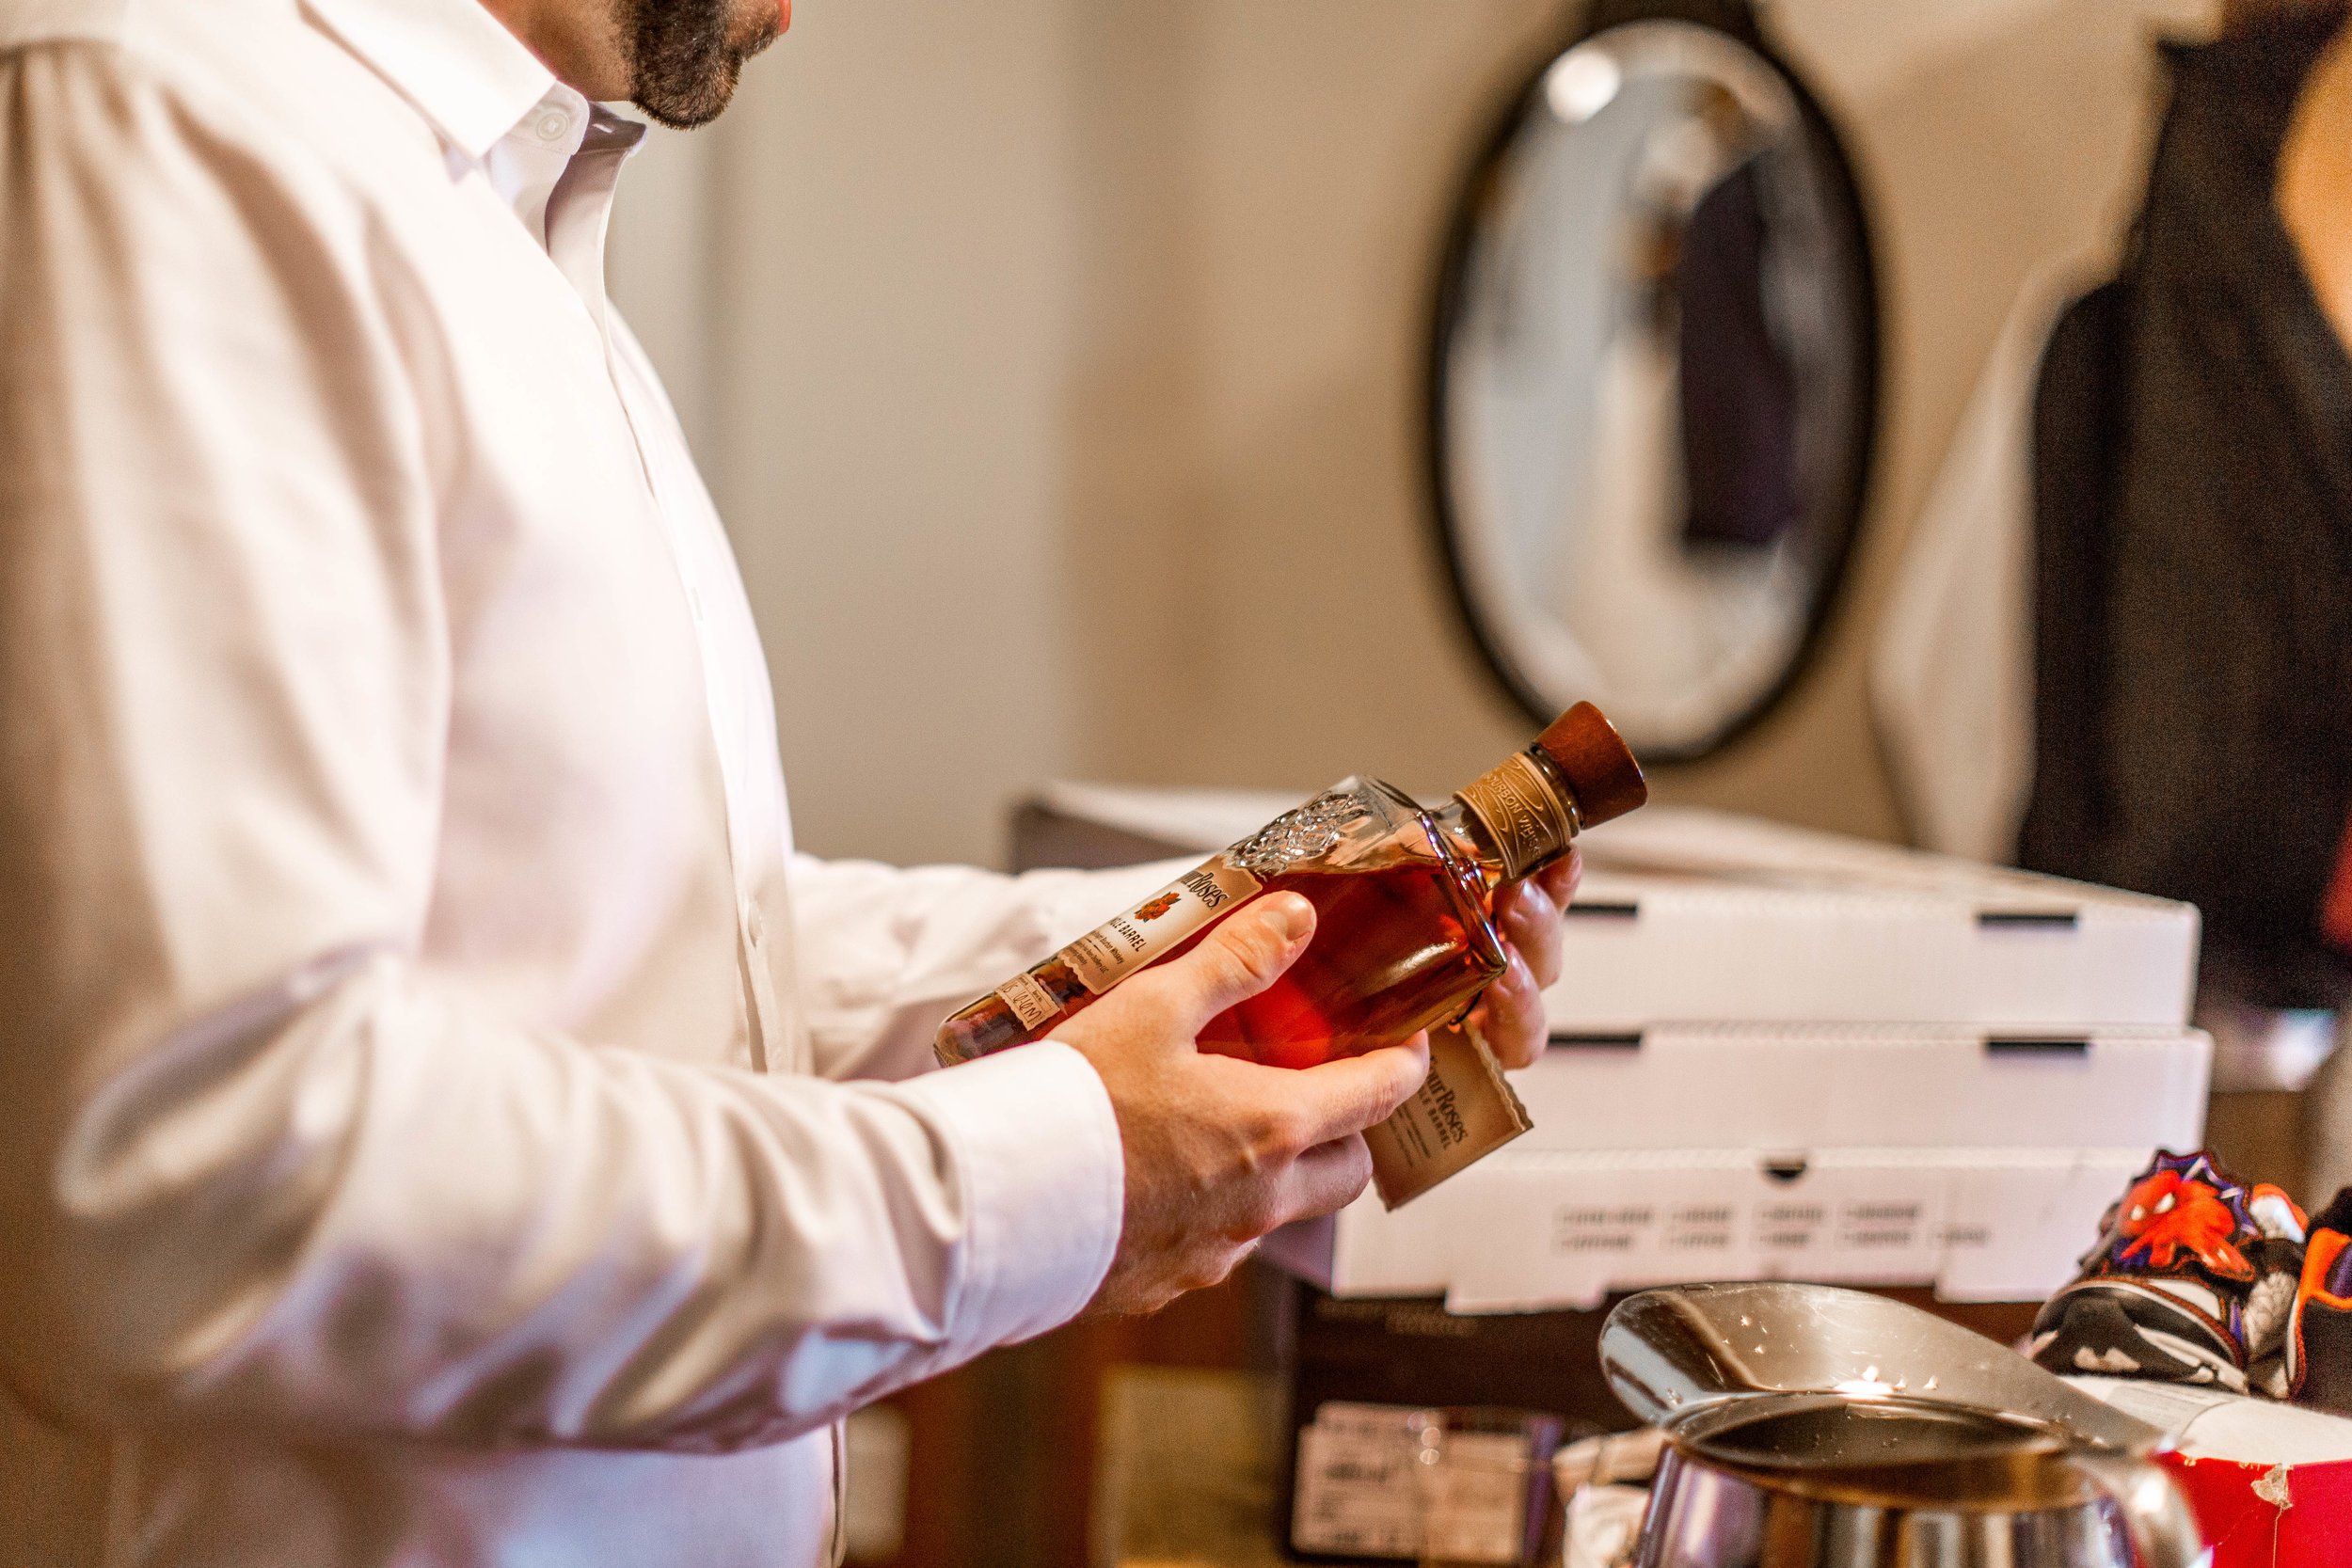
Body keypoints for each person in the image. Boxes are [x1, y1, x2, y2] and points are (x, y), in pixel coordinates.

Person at [0, 0, 1581, 1564]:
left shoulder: (509, 221)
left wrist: (1233, 952)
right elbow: (201, 1180)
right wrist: (1047, 1179)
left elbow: (656, 961)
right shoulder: (183, 119)